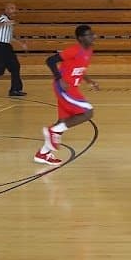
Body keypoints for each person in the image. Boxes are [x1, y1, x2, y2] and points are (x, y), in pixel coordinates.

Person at [36, 25, 99, 167]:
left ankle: (43, 153)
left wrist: (90, 81)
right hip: (65, 87)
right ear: (81, 38)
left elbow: (80, 69)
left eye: (93, 34)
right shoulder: (74, 50)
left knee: (63, 121)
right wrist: (59, 78)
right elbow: (50, 60)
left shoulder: (89, 50)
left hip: (72, 87)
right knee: (88, 112)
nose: (93, 36)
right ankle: (53, 131)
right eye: (90, 35)